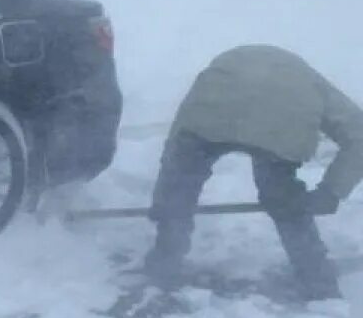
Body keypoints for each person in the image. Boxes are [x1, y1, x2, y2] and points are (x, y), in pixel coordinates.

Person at [144, 44, 363, 299]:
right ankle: (316, 278)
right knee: (283, 197)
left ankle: (165, 262)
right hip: (282, 119)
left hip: (215, 107)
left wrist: (166, 199)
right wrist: (331, 191)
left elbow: (179, 140)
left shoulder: (224, 67)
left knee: (181, 184)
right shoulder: (314, 85)